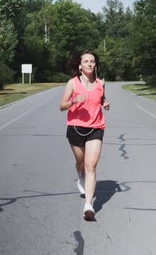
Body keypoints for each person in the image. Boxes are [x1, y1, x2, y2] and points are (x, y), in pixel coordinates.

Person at [59, 51, 110, 221]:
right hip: (76, 128)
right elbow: (62, 106)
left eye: (92, 61)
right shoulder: (72, 83)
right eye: (86, 61)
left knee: (91, 166)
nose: (89, 64)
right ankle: (80, 176)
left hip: (96, 128)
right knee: (81, 163)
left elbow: (101, 99)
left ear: (95, 65)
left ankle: (89, 206)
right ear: (80, 66)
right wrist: (74, 100)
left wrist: (105, 103)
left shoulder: (101, 83)